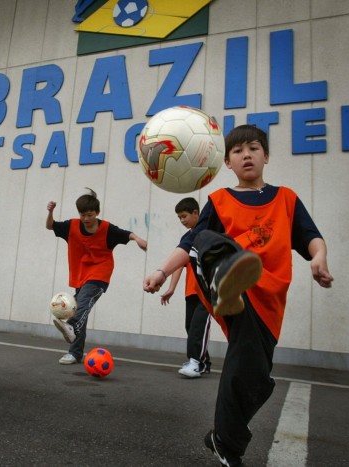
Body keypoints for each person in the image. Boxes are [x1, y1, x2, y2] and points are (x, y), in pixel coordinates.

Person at [143, 124, 333, 467]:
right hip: (231, 286)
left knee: (253, 375)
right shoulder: (219, 200)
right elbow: (189, 243)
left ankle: (224, 442)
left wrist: (318, 258)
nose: (247, 154)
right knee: (206, 240)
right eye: (238, 151)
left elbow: (311, 237)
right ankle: (228, 280)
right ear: (227, 162)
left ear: (266, 156)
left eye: (254, 148)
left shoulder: (287, 198)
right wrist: (162, 271)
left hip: (269, 301)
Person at [46, 189, 147, 364]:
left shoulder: (107, 229)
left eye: (90, 215)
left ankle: (72, 325)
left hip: (100, 274)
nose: (86, 219)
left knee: (82, 305)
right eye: (83, 215)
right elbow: (50, 225)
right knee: (78, 309)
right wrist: (50, 211)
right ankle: (75, 353)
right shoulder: (72, 226)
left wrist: (138, 239)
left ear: (97, 213)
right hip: (81, 276)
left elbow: (126, 234)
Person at [160, 197, 212, 378]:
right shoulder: (186, 238)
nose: (182, 221)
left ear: (196, 213)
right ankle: (204, 362)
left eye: (184, 216)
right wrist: (171, 288)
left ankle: (195, 362)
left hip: (207, 290)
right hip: (191, 290)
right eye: (179, 218)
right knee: (190, 326)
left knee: (199, 326)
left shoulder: (208, 233)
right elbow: (178, 265)